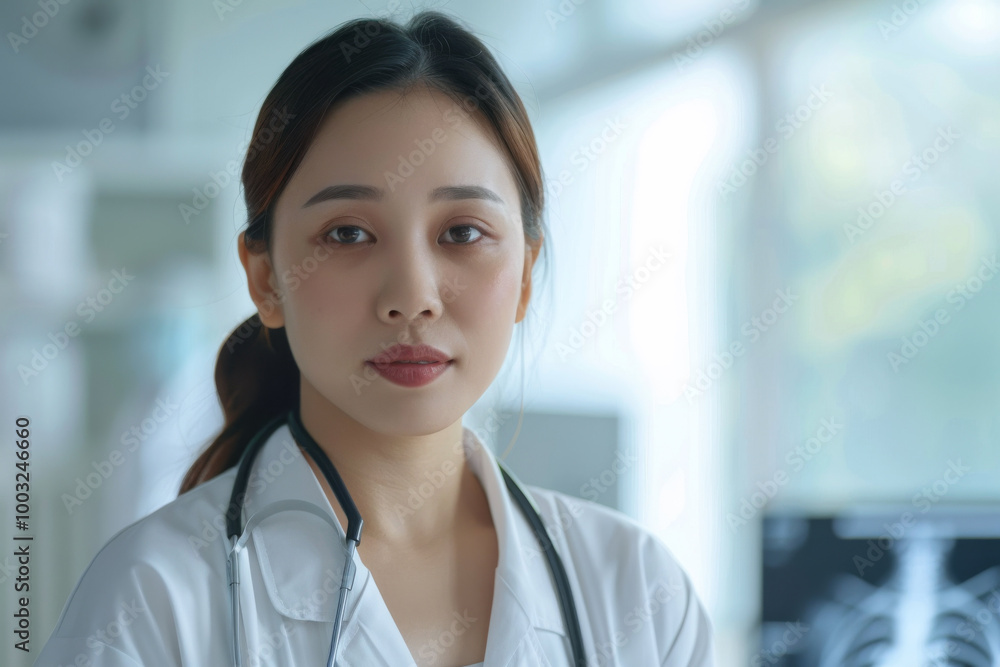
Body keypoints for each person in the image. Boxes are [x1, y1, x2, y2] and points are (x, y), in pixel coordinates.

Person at [33, 10, 714, 667]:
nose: (412, 297)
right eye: (348, 234)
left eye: (463, 232)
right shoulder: (150, 601)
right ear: (266, 278)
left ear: (526, 275)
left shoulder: (643, 596)